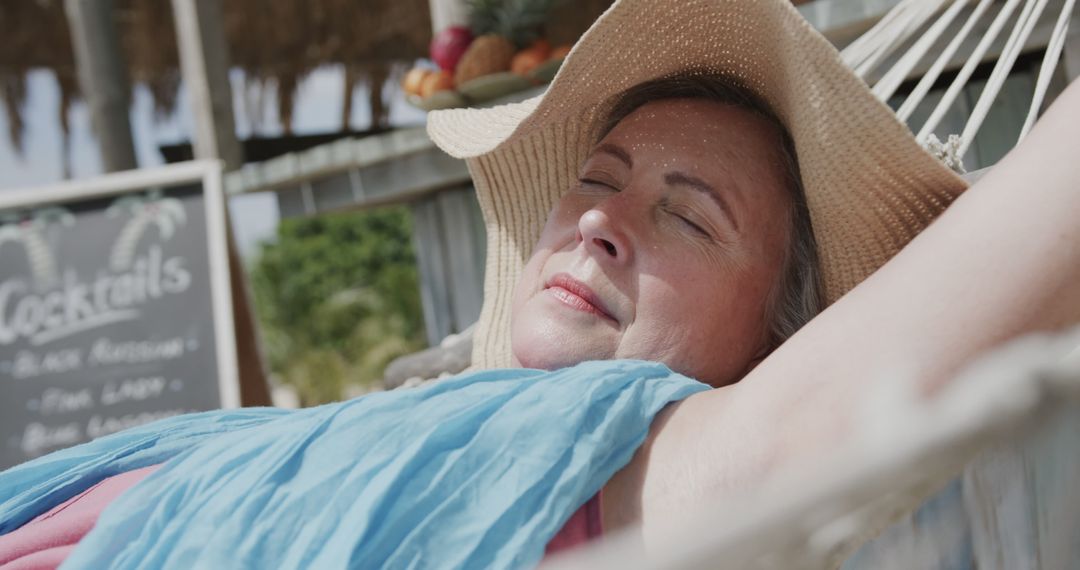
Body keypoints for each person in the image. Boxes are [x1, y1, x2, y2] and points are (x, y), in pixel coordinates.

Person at [2, 0, 1079, 567]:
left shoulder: (654, 476)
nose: (605, 221)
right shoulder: (436, 439)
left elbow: (827, 410)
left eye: (689, 216)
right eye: (595, 183)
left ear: (777, 345)